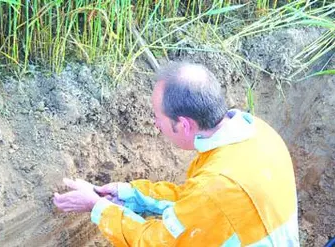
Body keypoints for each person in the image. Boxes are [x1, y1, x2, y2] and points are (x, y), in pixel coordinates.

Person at [53, 62, 299, 246]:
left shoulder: (217, 187)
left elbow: (155, 242)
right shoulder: (254, 132)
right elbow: (195, 202)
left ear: (184, 124)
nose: (155, 124)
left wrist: (98, 208)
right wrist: (130, 195)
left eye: (158, 117)